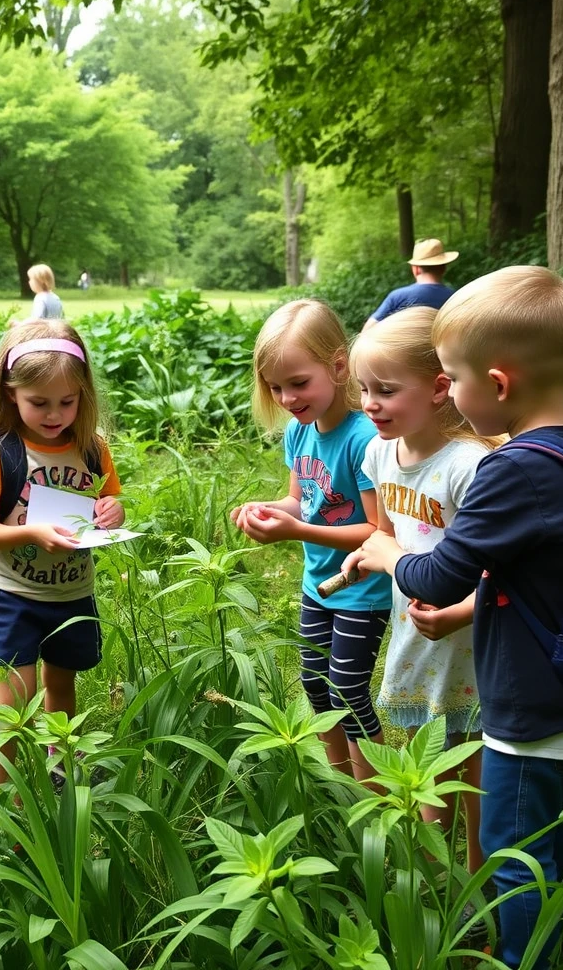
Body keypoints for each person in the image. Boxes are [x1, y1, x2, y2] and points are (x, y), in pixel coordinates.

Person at [344, 266, 563, 969]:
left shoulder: (512, 470)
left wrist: (384, 548)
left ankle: (524, 955)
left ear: (496, 385)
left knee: (511, 848)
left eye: (454, 378)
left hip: (529, 700)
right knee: (548, 827)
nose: (451, 393)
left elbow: (436, 573)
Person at [0, 319, 124, 827]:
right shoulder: (1, 453)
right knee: (15, 694)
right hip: (15, 593)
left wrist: (113, 510)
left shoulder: (93, 448)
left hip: (73, 592)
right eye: (40, 403)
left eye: (67, 402)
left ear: (83, 395)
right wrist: (32, 534)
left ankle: (62, 758)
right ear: (12, 396)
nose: (54, 415)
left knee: (62, 682)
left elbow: (109, 497)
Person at [350, 306, 494, 873]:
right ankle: (439, 881)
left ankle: (482, 884)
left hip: (471, 639)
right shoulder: (379, 453)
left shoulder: (469, 465)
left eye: (386, 389)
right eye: (362, 389)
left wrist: (459, 612)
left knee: (477, 773)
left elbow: (495, 565)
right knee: (426, 765)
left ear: (439, 389)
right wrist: (371, 555)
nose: (369, 403)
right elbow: (388, 532)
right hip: (415, 632)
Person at [230, 299, 391, 784]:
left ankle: (375, 794)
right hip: (316, 582)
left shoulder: (365, 438)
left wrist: (296, 529)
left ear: (339, 366)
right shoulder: (299, 434)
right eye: (276, 387)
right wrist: (269, 510)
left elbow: (374, 531)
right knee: (316, 687)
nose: (287, 398)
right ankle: (338, 784)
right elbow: (301, 501)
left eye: (299, 383)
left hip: (361, 586)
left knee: (347, 689)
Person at [364, 238, 458, 328]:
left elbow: (369, 329)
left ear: (416, 269)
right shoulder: (455, 298)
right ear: (444, 269)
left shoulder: (397, 297)